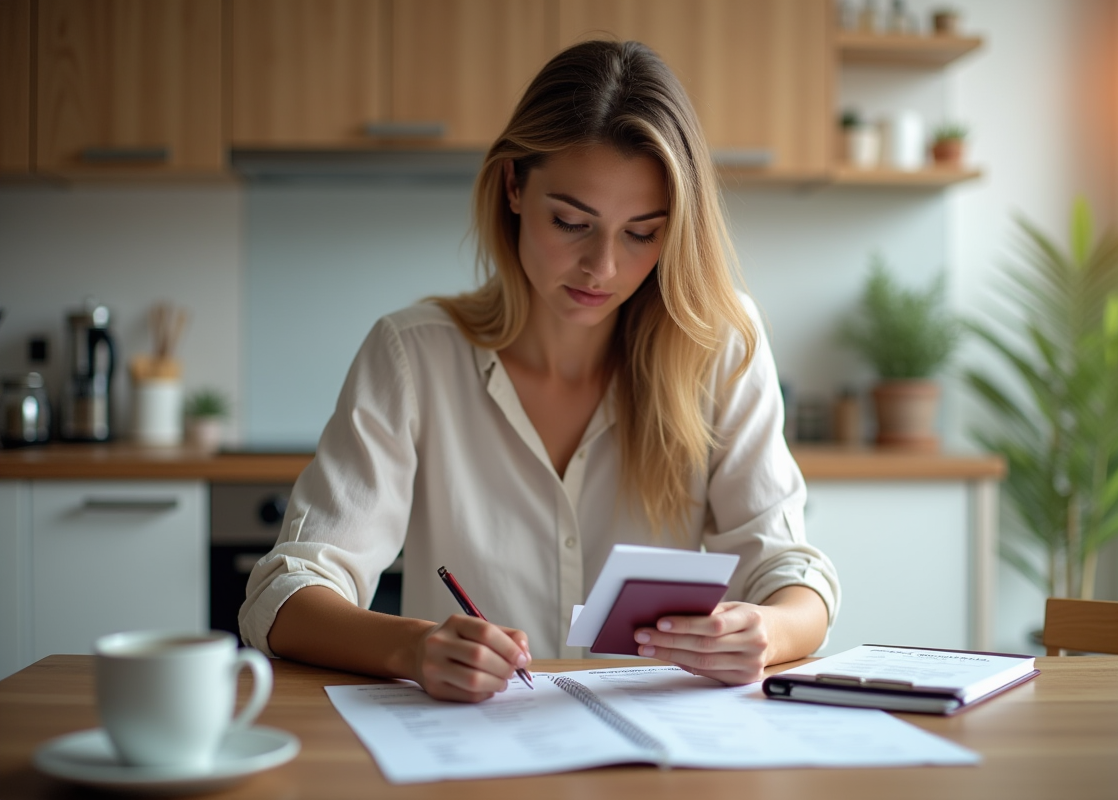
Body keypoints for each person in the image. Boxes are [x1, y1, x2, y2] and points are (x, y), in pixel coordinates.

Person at [239, 39, 839, 703]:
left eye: (641, 233)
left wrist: (767, 631)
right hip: (470, 743)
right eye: (572, 222)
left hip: (651, 743)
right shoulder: (413, 355)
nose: (602, 268)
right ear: (514, 186)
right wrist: (414, 647)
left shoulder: (717, 346)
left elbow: (792, 575)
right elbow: (283, 594)